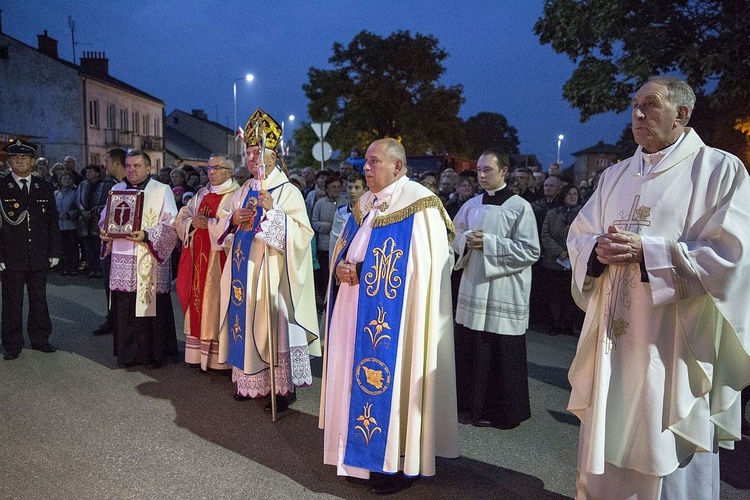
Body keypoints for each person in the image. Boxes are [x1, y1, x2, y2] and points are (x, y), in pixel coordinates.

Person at [567, 76, 750, 499]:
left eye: (650, 105)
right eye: (635, 106)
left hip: (672, 344)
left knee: (664, 442)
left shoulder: (720, 170)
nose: (638, 114)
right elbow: (581, 236)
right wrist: (597, 250)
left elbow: (733, 256)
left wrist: (648, 253)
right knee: (605, 435)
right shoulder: (614, 176)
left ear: (681, 114)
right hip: (612, 345)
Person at [320, 138, 459, 494]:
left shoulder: (421, 205)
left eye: (374, 162)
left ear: (397, 166)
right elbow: (344, 247)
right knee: (353, 376)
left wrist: (363, 270)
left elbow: (425, 268)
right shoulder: (365, 203)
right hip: (353, 310)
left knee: (389, 382)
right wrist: (340, 267)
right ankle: (357, 456)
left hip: (396, 321)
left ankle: (394, 462)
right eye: (365, 162)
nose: (366, 168)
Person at [218, 108, 320, 410]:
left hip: (273, 273)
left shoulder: (288, 191)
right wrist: (234, 219)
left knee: (273, 325)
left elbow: (302, 234)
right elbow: (227, 222)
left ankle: (282, 389)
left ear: (274, 156)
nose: (253, 159)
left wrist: (274, 212)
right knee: (245, 321)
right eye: (249, 153)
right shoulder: (244, 189)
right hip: (243, 270)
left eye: (258, 153)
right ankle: (249, 379)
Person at [452, 149, 540, 429]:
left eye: (487, 170)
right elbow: (453, 235)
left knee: (499, 348)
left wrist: (489, 244)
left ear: (504, 171)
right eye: (478, 169)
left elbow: (530, 250)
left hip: (503, 288)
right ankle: (467, 406)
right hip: (475, 285)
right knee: (472, 345)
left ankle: (501, 411)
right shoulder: (471, 204)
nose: (481, 174)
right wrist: (466, 240)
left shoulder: (519, 207)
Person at [98, 150, 179, 368]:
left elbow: (171, 225)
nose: (132, 170)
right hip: (123, 256)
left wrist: (146, 235)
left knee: (150, 306)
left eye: (137, 166)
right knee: (125, 306)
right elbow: (105, 218)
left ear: (148, 168)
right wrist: (104, 232)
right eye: (129, 166)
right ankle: (128, 355)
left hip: (148, 257)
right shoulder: (117, 189)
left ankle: (154, 355)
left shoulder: (162, 190)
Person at [174, 153, 240, 370]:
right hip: (196, 260)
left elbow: (234, 225)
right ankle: (197, 357)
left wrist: (210, 223)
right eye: (209, 169)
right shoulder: (201, 193)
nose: (211, 172)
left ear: (229, 172)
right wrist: (193, 223)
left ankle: (219, 361)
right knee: (197, 302)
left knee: (216, 304)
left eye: (217, 168)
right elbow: (182, 217)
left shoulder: (236, 195)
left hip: (219, 261)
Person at [0, 139, 61, 360]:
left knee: (39, 299)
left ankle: (40, 339)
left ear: (32, 162)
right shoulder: (1, 186)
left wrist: (55, 251)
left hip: (38, 253)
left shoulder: (43, 186)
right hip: (11, 255)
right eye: (15, 158)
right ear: (8, 162)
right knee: (12, 301)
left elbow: (52, 222)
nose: (19, 162)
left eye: (24, 158)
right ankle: (12, 344)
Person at [92, 148, 126, 337]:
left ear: (115, 163)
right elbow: (105, 212)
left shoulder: (130, 187)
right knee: (109, 282)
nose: (104, 166)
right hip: (110, 241)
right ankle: (112, 317)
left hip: (128, 243)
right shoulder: (110, 186)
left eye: (106, 162)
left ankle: (123, 319)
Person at [540, 184, 581, 336]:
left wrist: (570, 252)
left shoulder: (583, 214)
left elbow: (585, 234)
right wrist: (558, 252)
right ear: (563, 195)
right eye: (569, 193)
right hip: (554, 262)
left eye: (575, 194)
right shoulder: (552, 213)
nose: (572, 196)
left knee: (571, 296)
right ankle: (556, 324)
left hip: (573, 262)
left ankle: (569, 325)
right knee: (555, 295)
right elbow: (545, 234)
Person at [311, 173, 343, 299]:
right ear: (327, 189)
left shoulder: (344, 202)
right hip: (324, 246)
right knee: (325, 275)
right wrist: (327, 226)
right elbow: (314, 222)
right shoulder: (320, 204)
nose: (335, 190)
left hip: (339, 244)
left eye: (338, 187)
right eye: (333, 187)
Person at [328, 172, 367, 257]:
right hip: (344, 257)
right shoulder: (340, 212)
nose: (352, 191)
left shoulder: (370, 212)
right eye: (349, 187)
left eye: (357, 188)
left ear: (365, 190)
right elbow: (334, 241)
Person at [54, 171, 80, 276]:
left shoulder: (75, 193)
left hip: (71, 224)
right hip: (59, 225)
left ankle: (73, 267)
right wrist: (58, 214)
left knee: (72, 247)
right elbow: (51, 208)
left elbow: (78, 207)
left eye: (69, 179)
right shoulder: (56, 193)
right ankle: (64, 267)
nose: (66, 181)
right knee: (62, 247)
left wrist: (69, 214)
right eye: (64, 179)